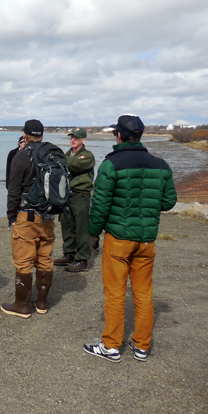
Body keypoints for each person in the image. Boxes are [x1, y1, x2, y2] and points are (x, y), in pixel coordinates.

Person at [83, 114, 176, 363]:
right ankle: (141, 345)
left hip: (119, 238)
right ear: (140, 135)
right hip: (147, 239)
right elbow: (168, 202)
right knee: (143, 292)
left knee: (115, 292)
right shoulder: (161, 165)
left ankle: (111, 346)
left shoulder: (111, 164)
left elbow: (100, 205)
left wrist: (92, 235)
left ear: (119, 135)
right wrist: (146, 206)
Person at [1, 119, 56, 318]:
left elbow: (13, 189)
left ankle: (21, 305)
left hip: (28, 214)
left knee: (23, 260)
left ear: (25, 134)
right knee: (44, 257)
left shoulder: (21, 156)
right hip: (49, 215)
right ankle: (41, 302)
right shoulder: (52, 154)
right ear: (42, 134)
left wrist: (11, 217)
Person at [53, 128, 95, 272]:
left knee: (81, 227)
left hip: (80, 195)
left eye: (76, 138)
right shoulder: (67, 154)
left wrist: (58, 159)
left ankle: (82, 258)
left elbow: (73, 164)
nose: (73, 140)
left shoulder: (87, 155)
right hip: (67, 194)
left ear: (83, 140)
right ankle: (68, 254)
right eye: (71, 137)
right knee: (66, 224)